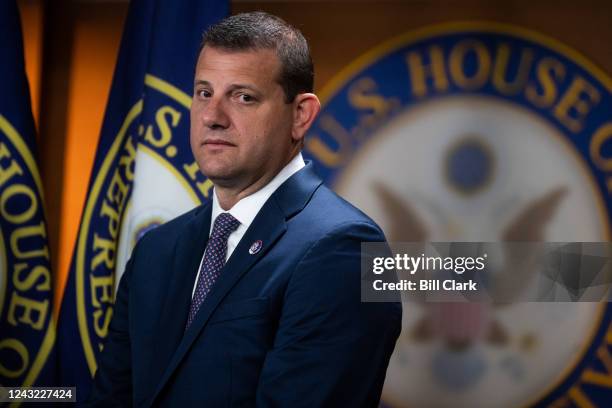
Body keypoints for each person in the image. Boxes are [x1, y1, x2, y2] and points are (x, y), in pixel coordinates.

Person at [86, 12, 401, 407]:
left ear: (300, 115)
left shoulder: (347, 249)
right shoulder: (156, 250)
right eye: (204, 92)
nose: (212, 117)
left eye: (243, 96)